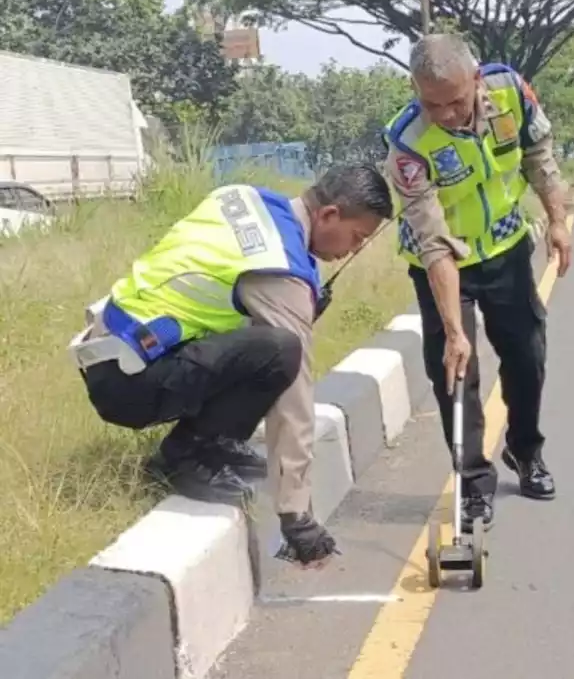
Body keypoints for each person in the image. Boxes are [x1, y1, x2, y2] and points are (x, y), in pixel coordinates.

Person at [69, 165, 393, 568]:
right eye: (358, 237)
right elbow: (294, 393)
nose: (355, 250)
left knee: (268, 345)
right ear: (328, 215)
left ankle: (216, 443)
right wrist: (296, 515)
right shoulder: (280, 270)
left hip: (113, 351)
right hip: (130, 383)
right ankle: (186, 456)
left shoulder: (245, 199)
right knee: (281, 351)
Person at [384, 34, 571, 533]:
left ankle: (525, 450)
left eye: (456, 101)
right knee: (455, 373)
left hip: (506, 248)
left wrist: (557, 218)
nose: (445, 114)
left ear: (475, 78)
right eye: (432, 103)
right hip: (442, 262)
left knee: (527, 354)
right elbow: (433, 243)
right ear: (415, 89)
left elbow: (539, 154)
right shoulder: (407, 142)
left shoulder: (509, 89)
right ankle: (472, 482)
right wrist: (455, 330)